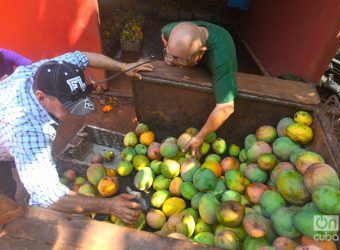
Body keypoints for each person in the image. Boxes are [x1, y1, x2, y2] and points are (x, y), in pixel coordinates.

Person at [0, 51, 153, 225]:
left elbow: (83, 57)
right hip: (8, 127)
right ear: (41, 97)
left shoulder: (52, 72)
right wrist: (110, 206)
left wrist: (124, 66)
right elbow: (50, 197)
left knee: (8, 190)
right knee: (7, 208)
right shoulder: (28, 130)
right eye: (68, 105)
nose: (74, 113)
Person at [161, 21, 237, 158]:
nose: (179, 66)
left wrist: (200, 137)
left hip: (219, 58)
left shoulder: (222, 58)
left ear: (201, 51)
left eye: (183, 62)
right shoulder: (170, 30)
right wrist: (171, 57)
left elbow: (226, 107)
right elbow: (163, 34)